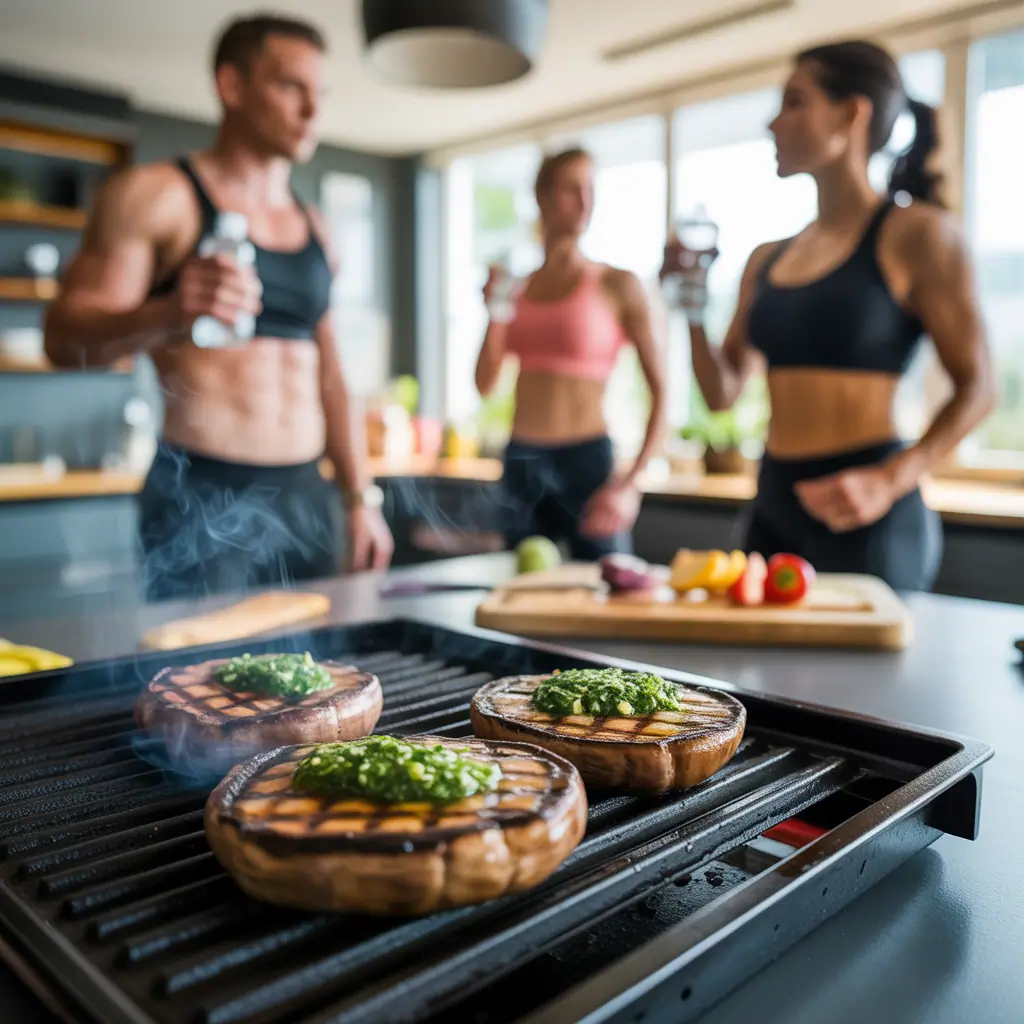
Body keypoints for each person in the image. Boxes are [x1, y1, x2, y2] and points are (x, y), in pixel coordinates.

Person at [44, 14, 393, 599]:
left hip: (306, 492)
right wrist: (167, 314)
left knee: (318, 681)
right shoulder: (157, 197)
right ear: (231, 86)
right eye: (291, 87)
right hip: (200, 492)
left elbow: (333, 375)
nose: (312, 111)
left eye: (320, 94)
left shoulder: (317, 228)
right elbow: (63, 340)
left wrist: (360, 496)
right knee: (201, 685)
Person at [666, 40, 995, 591]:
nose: (773, 122)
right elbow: (722, 393)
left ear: (851, 113)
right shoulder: (766, 258)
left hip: (867, 510)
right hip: (772, 501)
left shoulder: (919, 235)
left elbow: (980, 388)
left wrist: (890, 481)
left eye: (794, 102)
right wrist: (692, 303)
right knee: (755, 678)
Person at [475, 147, 667, 560]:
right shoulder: (515, 290)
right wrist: (493, 311)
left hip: (589, 464)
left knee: (606, 599)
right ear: (542, 197)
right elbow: (485, 384)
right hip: (522, 461)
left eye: (591, 189)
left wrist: (628, 484)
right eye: (572, 188)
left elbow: (663, 394)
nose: (586, 201)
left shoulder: (618, 284)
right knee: (518, 596)